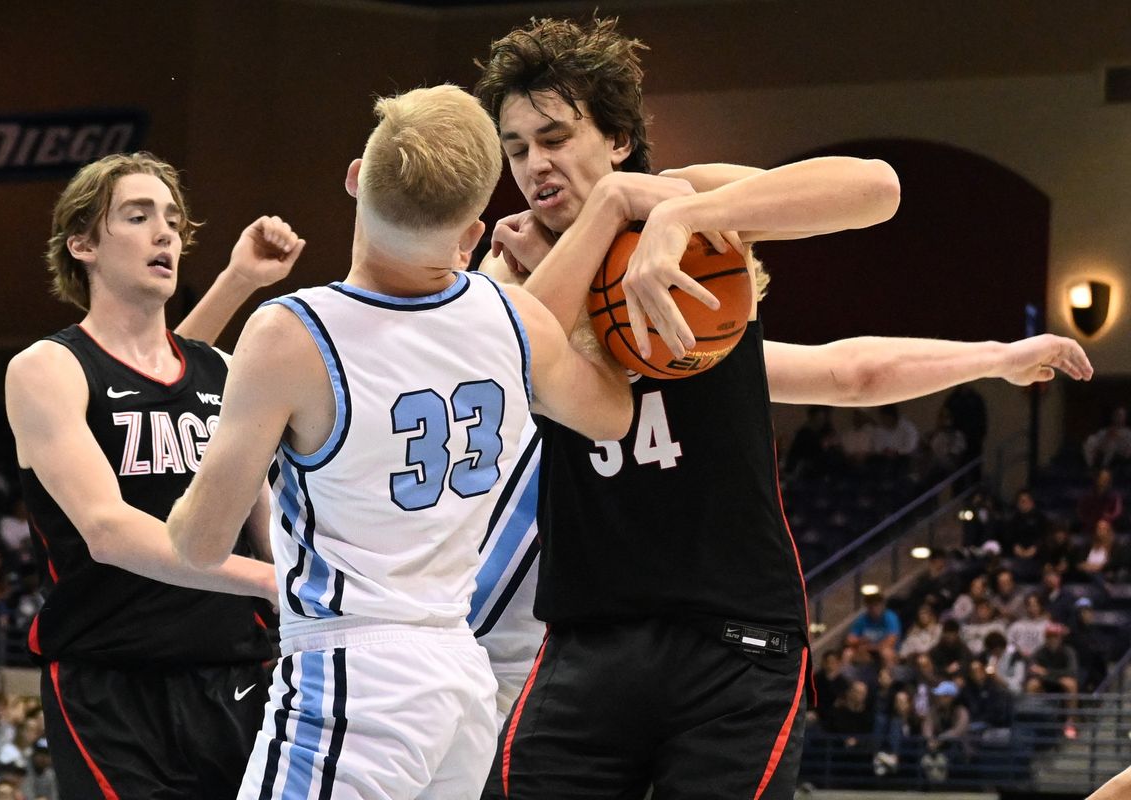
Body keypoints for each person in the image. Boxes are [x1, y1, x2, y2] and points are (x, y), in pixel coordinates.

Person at [471, 15, 1094, 799]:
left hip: (736, 642)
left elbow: (875, 200)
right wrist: (606, 212)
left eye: (556, 137)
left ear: (620, 137)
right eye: (517, 146)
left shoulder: (690, 211)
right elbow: (526, 359)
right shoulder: (512, 271)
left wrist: (680, 211)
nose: (535, 164)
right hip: (589, 639)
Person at [167, 85, 632, 800]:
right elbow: (612, 417)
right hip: (459, 677)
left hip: (352, 679)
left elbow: (198, 545)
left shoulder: (290, 332)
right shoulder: (515, 318)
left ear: (357, 177)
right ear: (472, 232)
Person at [4, 151, 306, 799]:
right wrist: (269, 579)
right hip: (111, 686)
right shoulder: (46, 369)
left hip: (236, 673)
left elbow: (268, 523)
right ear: (81, 244)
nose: (165, 232)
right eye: (137, 217)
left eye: (171, 219)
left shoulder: (221, 372)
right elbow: (108, 531)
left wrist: (237, 279)